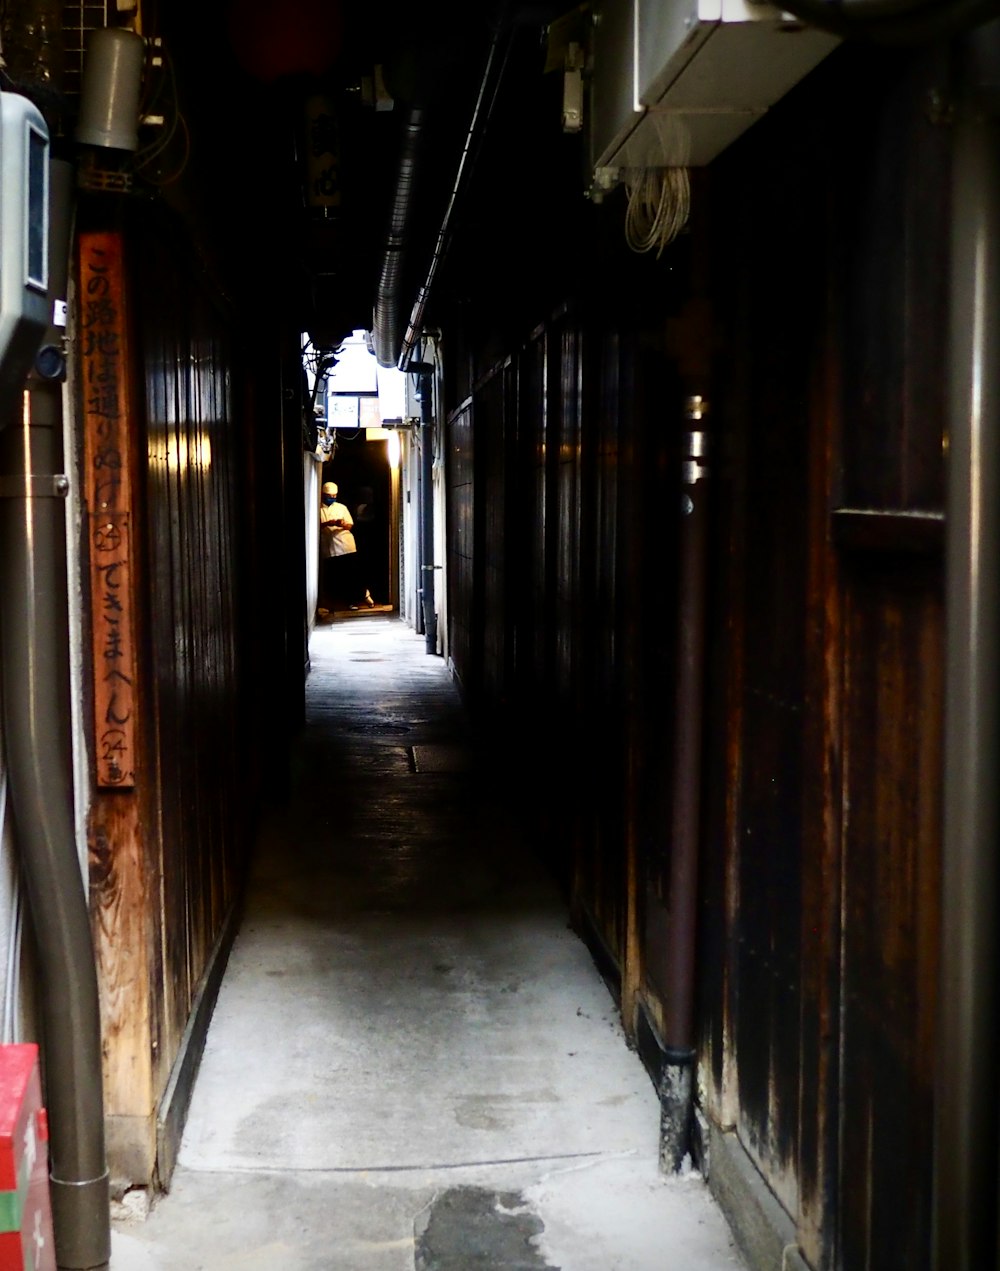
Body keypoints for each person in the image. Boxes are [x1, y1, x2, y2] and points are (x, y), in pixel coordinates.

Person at [319, 481, 372, 611]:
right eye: (329, 496)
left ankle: (357, 599)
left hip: (346, 545)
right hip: (329, 546)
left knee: (352, 574)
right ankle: (336, 603)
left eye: (334, 496)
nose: (332, 498)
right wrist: (328, 523)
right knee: (335, 576)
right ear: (322, 495)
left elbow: (350, 525)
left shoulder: (341, 507)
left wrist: (340, 524)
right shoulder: (318, 508)